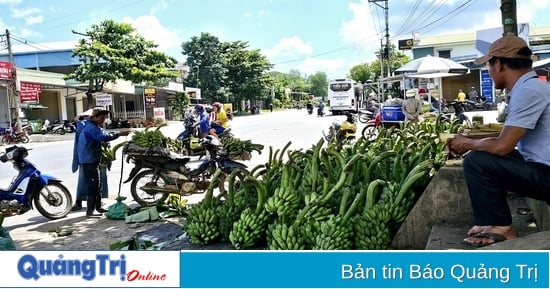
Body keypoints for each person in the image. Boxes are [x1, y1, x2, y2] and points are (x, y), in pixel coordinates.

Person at [447, 35, 550, 247]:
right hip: (541, 167)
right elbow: (507, 136)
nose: (488, 71)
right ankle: (490, 222)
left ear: (499, 64)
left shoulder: (529, 90)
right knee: (483, 153)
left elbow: (503, 146)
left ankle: (501, 226)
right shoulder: (530, 87)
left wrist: (467, 144)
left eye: (488, 65)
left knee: (477, 161)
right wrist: (467, 139)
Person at [78, 108, 131, 217]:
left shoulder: (94, 126)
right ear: (95, 117)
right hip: (89, 160)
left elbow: (101, 135)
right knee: (92, 185)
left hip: (92, 158)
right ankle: (90, 212)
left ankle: (98, 207)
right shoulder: (91, 127)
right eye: (102, 118)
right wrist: (119, 134)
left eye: (104, 118)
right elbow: (102, 136)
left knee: (97, 185)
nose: (103, 120)